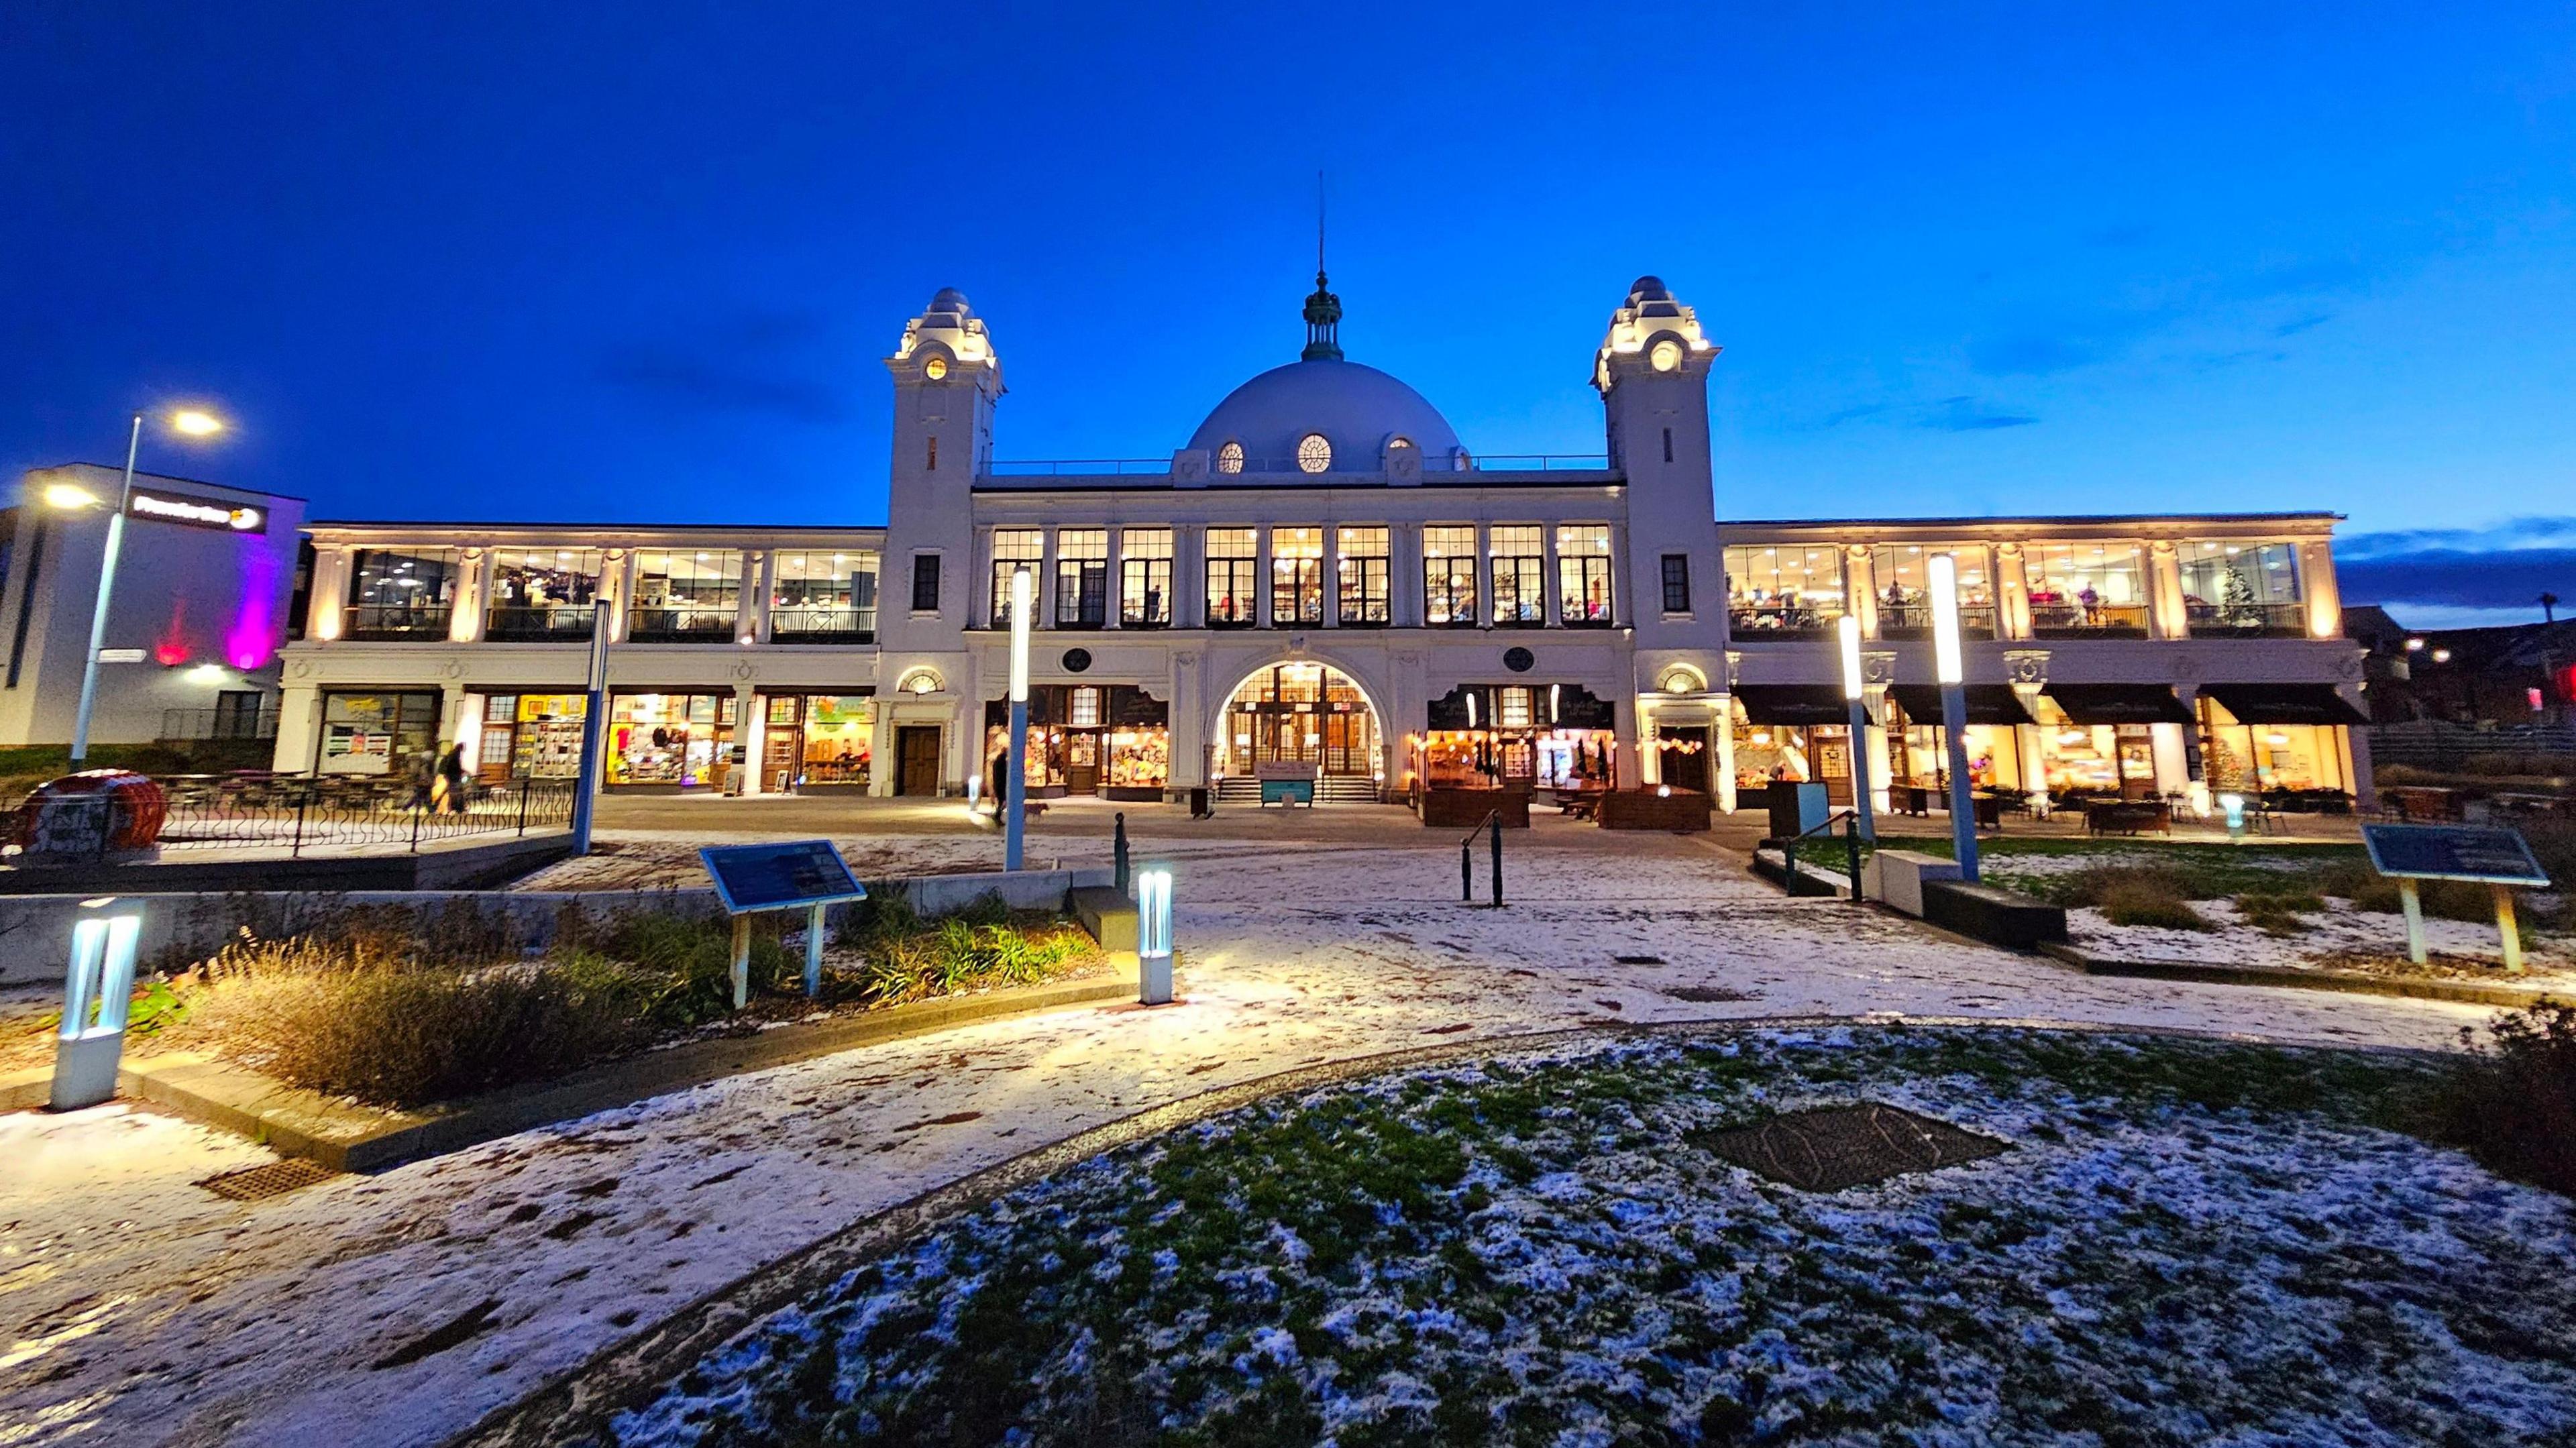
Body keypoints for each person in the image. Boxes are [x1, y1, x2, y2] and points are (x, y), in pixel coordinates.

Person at [436, 741, 469, 813]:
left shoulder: (451, 755)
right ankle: (457, 808)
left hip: (449, 777)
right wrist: (462, 772)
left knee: (453, 793)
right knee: (456, 793)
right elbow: (455, 768)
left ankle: (454, 808)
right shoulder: (455, 757)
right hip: (453, 777)